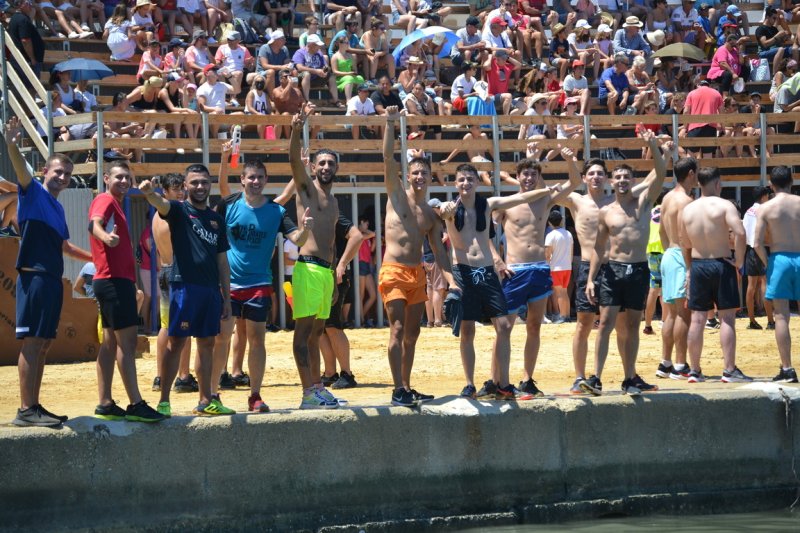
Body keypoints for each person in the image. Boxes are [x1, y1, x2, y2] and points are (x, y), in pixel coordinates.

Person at [440, 162, 567, 400]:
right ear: (455, 183)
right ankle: (469, 384)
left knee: (505, 326)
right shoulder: (449, 208)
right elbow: (448, 228)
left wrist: (546, 191)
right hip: (464, 271)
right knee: (467, 331)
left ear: (477, 182)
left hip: (487, 272)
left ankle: (504, 384)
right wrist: (445, 216)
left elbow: (519, 198)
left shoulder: (488, 205)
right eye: (461, 180)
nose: (466, 183)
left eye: (470, 179)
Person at [212, 157, 312, 414]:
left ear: (266, 180)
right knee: (222, 338)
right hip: (229, 284)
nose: (256, 182)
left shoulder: (275, 211)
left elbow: (297, 238)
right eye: (251, 177)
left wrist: (306, 229)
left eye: (260, 177)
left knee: (257, 341)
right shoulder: (229, 205)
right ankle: (212, 394)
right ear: (242, 179)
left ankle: (255, 394)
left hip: (259, 284)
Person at [7, 133, 92, 427]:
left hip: (53, 279)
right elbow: (20, 168)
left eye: (67, 174)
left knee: (43, 344)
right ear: (45, 171)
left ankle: (34, 405)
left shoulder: (57, 208)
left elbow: (65, 247)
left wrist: (95, 259)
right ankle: (25, 409)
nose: (63, 177)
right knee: (32, 343)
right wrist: (11, 143)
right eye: (58, 172)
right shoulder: (32, 192)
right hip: (36, 277)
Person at [139, 164, 234, 416]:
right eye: (194, 183)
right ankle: (164, 401)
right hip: (184, 286)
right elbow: (162, 205)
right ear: (185, 186)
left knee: (206, 344)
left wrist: (226, 296)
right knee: (176, 342)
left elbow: (222, 261)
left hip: (211, 291)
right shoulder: (180, 210)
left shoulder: (216, 220)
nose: (200, 187)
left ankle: (206, 400)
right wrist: (150, 194)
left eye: (204, 182)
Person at [380, 106, 455, 407]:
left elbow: (439, 251)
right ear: (408, 176)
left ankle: (407, 386)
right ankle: (397, 388)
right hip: (394, 270)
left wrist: (453, 281)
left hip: (418, 274)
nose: (420, 176)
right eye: (415, 173)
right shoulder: (397, 195)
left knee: (412, 333)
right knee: (397, 330)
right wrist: (388, 123)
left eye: (424, 173)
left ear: (429, 176)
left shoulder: (430, 214)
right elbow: (387, 158)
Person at [490, 147, 580, 397]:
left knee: (534, 327)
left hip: (540, 269)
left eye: (532, 174)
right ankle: (494, 380)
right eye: (525, 174)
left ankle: (527, 379)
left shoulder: (545, 200)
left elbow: (575, 182)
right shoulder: (506, 204)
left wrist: (570, 159)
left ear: (538, 177)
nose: (528, 178)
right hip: (514, 271)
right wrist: (498, 260)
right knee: (503, 327)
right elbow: (483, 233)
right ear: (518, 177)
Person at [583, 134, 667, 396]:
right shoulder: (606, 212)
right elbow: (599, 247)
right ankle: (595, 377)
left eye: (626, 178)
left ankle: (629, 377)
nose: (621, 181)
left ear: (632, 181)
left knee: (632, 326)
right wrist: (590, 279)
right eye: (617, 177)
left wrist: (653, 145)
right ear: (612, 181)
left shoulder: (642, 204)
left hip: (639, 269)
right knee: (605, 324)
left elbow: (662, 172)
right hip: (613, 270)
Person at [288, 105, 360, 408]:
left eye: (331, 163)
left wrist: (335, 270)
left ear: (337, 168)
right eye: (322, 163)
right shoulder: (307, 190)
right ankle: (307, 393)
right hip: (307, 269)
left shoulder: (332, 202)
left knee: (318, 333)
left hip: (325, 272)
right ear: (314, 168)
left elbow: (335, 242)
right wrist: (295, 129)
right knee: (304, 334)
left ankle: (317, 387)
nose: (326, 167)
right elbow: (292, 160)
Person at [89, 161, 165, 422]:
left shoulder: (117, 205)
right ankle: (135, 403)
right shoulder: (105, 199)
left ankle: (105, 403)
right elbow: (94, 224)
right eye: (118, 177)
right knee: (127, 343)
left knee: (110, 343)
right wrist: (105, 237)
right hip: (112, 281)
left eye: (127, 178)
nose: (123, 181)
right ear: (106, 178)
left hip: (114, 280)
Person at [681, 166, 750, 383]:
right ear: (718, 183)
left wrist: (690, 268)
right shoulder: (724, 205)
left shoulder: (688, 209)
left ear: (699, 183)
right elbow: (740, 232)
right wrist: (739, 262)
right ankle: (729, 370)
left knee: (697, 319)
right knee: (727, 318)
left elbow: (684, 244)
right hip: (721, 262)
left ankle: (694, 370)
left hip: (699, 264)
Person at [149, 173, 196, 395]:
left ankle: (161, 375)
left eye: (181, 188)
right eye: (175, 189)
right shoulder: (174, 213)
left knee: (167, 327)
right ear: (164, 192)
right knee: (182, 327)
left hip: (165, 270)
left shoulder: (156, 216)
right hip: (178, 272)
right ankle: (183, 375)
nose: (181, 192)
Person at [754, 166, 800, 384]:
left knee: (781, 316)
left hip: (779, 258)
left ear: (771, 185)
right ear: (792, 182)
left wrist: (769, 263)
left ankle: (788, 368)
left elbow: (757, 243)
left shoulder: (766, 208)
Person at [655, 157, 697, 381]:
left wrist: (668, 253)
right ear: (691, 173)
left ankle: (666, 362)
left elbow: (662, 231)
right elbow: (685, 237)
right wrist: (689, 266)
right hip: (680, 255)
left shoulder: (667, 198)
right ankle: (680, 365)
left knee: (670, 313)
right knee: (683, 313)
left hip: (668, 254)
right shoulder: (686, 201)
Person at [545, 209, 573, 324]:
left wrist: (547, 266)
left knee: (559, 293)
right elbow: (571, 251)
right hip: (567, 266)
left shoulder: (550, 235)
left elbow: (547, 254)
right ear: (561, 221)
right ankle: (567, 315)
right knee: (564, 292)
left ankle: (562, 316)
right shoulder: (568, 233)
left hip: (556, 267)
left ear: (549, 223)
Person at [684, 80, 723, 159]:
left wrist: (685, 127)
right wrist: (723, 127)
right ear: (709, 85)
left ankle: (687, 171)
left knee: (690, 154)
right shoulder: (716, 93)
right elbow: (722, 113)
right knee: (708, 155)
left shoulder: (692, 93)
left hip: (694, 127)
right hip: (710, 127)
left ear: (698, 85)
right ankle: (707, 171)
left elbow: (685, 112)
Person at [643, 203, 664, 335]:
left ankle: (648, 325)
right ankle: (665, 321)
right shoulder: (670, 209)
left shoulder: (649, 212)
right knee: (666, 288)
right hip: (666, 250)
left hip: (651, 251)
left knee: (654, 288)